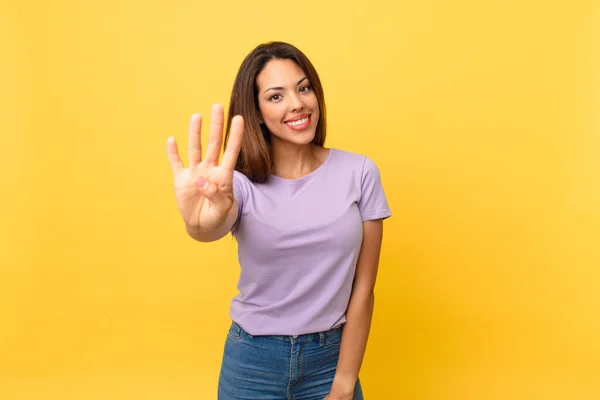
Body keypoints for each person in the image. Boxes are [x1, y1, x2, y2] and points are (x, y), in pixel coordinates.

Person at [166, 41, 391, 400]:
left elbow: (363, 290)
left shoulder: (359, 172)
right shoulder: (235, 185)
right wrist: (197, 222)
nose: (297, 103)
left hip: (331, 359)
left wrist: (345, 381)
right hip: (253, 361)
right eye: (276, 96)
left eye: (304, 88)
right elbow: (208, 227)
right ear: (256, 111)